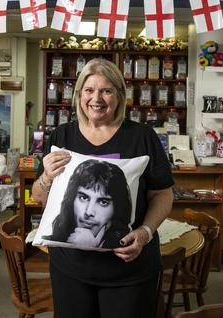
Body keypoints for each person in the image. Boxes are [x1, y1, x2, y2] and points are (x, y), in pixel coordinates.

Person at [31, 58, 174, 318]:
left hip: (129, 269)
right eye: (89, 90)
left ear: (119, 96)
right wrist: (46, 177)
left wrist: (145, 232)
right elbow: (39, 197)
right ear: (79, 95)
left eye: (106, 90)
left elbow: (163, 194)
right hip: (70, 270)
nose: (96, 98)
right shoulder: (62, 135)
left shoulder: (142, 137)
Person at [45, 159, 132, 249]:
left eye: (103, 202)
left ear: (117, 208)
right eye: (84, 198)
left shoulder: (127, 244)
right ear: (72, 199)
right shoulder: (52, 238)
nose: (89, 212)